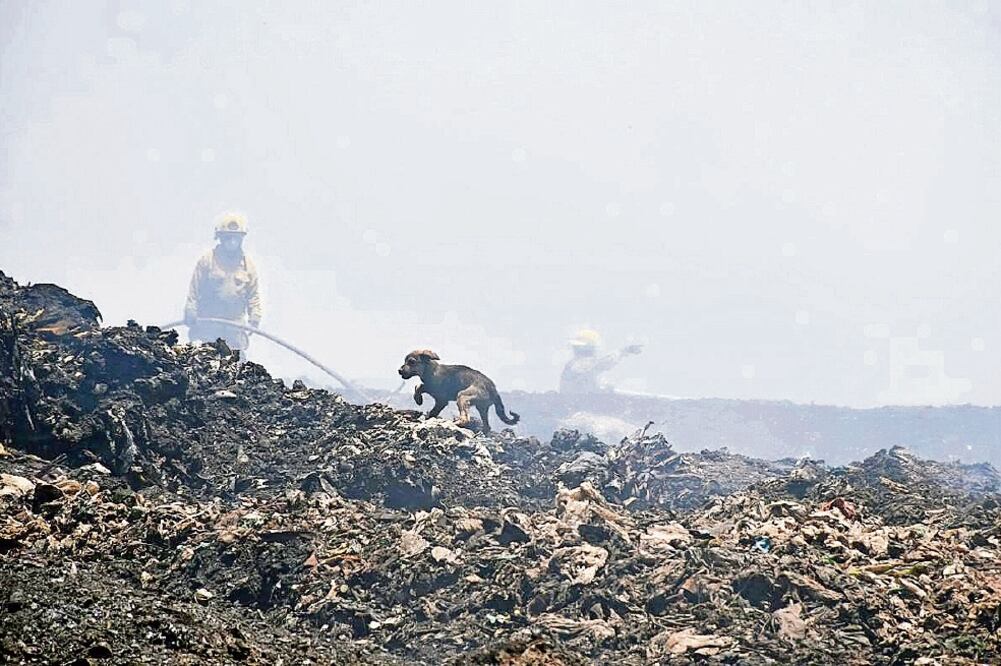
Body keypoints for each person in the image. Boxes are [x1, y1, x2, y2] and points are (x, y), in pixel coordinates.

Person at [183, 212, 262, 354]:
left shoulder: (247, 266)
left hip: (234, 329)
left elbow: (253, 296)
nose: (232, 241)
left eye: (236, 238)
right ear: (220, 238)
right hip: (207, 325)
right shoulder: (208, 261)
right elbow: (194, 290)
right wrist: (190, 310)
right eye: (228, 237)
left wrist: (255, 317)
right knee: (203, 360)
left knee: (235, 365)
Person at [558, 329, 642, 394]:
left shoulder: (573, 364)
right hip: (577, 406)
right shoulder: (582, 364)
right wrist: (624, 351)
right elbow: (605, 362)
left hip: (575, 404)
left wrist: (603, 389)